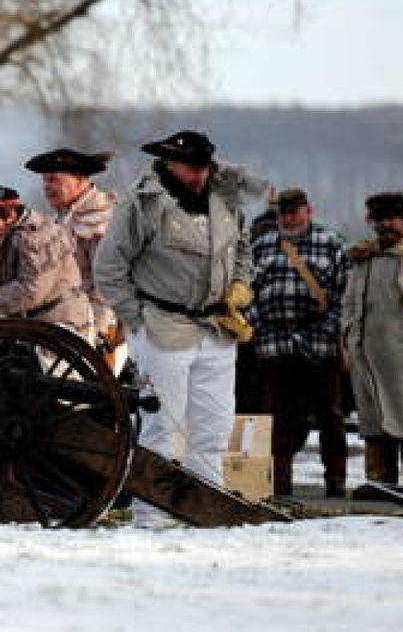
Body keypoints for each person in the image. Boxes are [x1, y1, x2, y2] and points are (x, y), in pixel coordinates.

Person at [93, 130, 267, 524]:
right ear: (168, 164)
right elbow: (108, 269)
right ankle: (152, 515)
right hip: (162, 324)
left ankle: (208, 510)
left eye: (202, 167)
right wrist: (137, 322)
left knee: (214, 427)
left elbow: (241, 249)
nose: (196, 176)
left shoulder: (225, 200)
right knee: (161, 428)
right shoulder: (141, 203)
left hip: (217, 325)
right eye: (189, 168)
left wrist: (240, 286)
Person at [247, 188, 349, 497]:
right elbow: (247, 290)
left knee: (330, 415)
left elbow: (344, 294)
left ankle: (336, 481)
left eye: (295, 211)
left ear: (309, 211)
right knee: (277, 417)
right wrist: (257, 324)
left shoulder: (331, 245)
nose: (289, 218)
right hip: (274, 341)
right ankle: (279, 483)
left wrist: (330, 327)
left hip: (319, 341)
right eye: (284, 213)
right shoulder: (261, 246)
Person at [342, 192, 403, 493]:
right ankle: (379, 502)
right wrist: (349, 336)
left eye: (392, 218)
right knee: (376, 433)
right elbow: (350, 303)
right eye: (380, 220)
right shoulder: (363, 259)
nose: (386, 226)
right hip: (367, 362)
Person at [0, 186, 91, 340]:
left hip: (59, 325)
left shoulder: (38, 237)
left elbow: (30, 290)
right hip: (23, 329)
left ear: (10, 217)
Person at [25, 147, 119, 360]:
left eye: (53, 180)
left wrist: (98, 332)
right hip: (61, 325)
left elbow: (109, 283)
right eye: (45, 181)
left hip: (97, 330)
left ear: (79, 179)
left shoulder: (102, 219)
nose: (47, 188)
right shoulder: (62, 218)